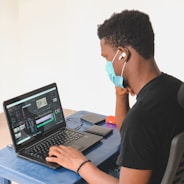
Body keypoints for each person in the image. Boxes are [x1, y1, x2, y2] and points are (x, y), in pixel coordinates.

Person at [46, 10, 184, 184]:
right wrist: (120, 95)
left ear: (122, 54)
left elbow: (136, 129)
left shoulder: (142, 118)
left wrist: (80, 164)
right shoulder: (174, 87)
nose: (107, 65)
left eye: (107, 57)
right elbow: (131, 135)